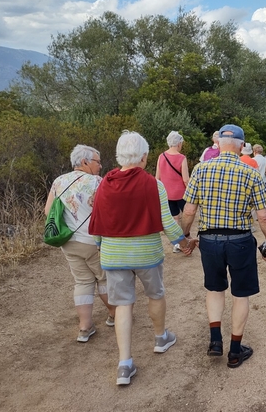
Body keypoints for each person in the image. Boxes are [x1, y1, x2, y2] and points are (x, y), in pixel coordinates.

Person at [89, 131, 197, 386]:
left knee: (123, 304)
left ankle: (124, 364)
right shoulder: (153, 184)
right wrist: (183, 242)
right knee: (155, 294)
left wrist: (100, 245)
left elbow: (97, 220)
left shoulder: (105, 182)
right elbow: (167, 224)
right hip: (146, 253)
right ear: (145, 156)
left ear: (118, 155)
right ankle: (160, 338)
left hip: (114, 255)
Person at [181, 124, 266, 369]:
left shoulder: (200, 170)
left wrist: (185, 236)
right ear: (242, 145)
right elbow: (263, 216)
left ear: (219, 144)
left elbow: (189, 209)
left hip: (209, 241)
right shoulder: (251, 172)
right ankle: (235, 351)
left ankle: (215, 341)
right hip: (240, 241)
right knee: (240, 294)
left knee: (214, 289)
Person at [44, 145, 116, 343]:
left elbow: (48, 210)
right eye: (97, 162)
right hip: (93, 240)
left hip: (68, 241)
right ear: (84, 162)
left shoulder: (59, 181)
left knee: (82, 281)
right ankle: (114, 315)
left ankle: (85, 327)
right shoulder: (97, 182)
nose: (100, 166)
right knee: (103, 278)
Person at [155, 131, 190, 253]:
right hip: (181, 193)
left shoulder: (161, 156)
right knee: (186, 217)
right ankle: (186, 239)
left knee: (174, 218)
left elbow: (157, 178)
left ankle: (176, 244)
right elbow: (185, 179)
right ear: (179, 143)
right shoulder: (182, 158)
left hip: (167, 194)